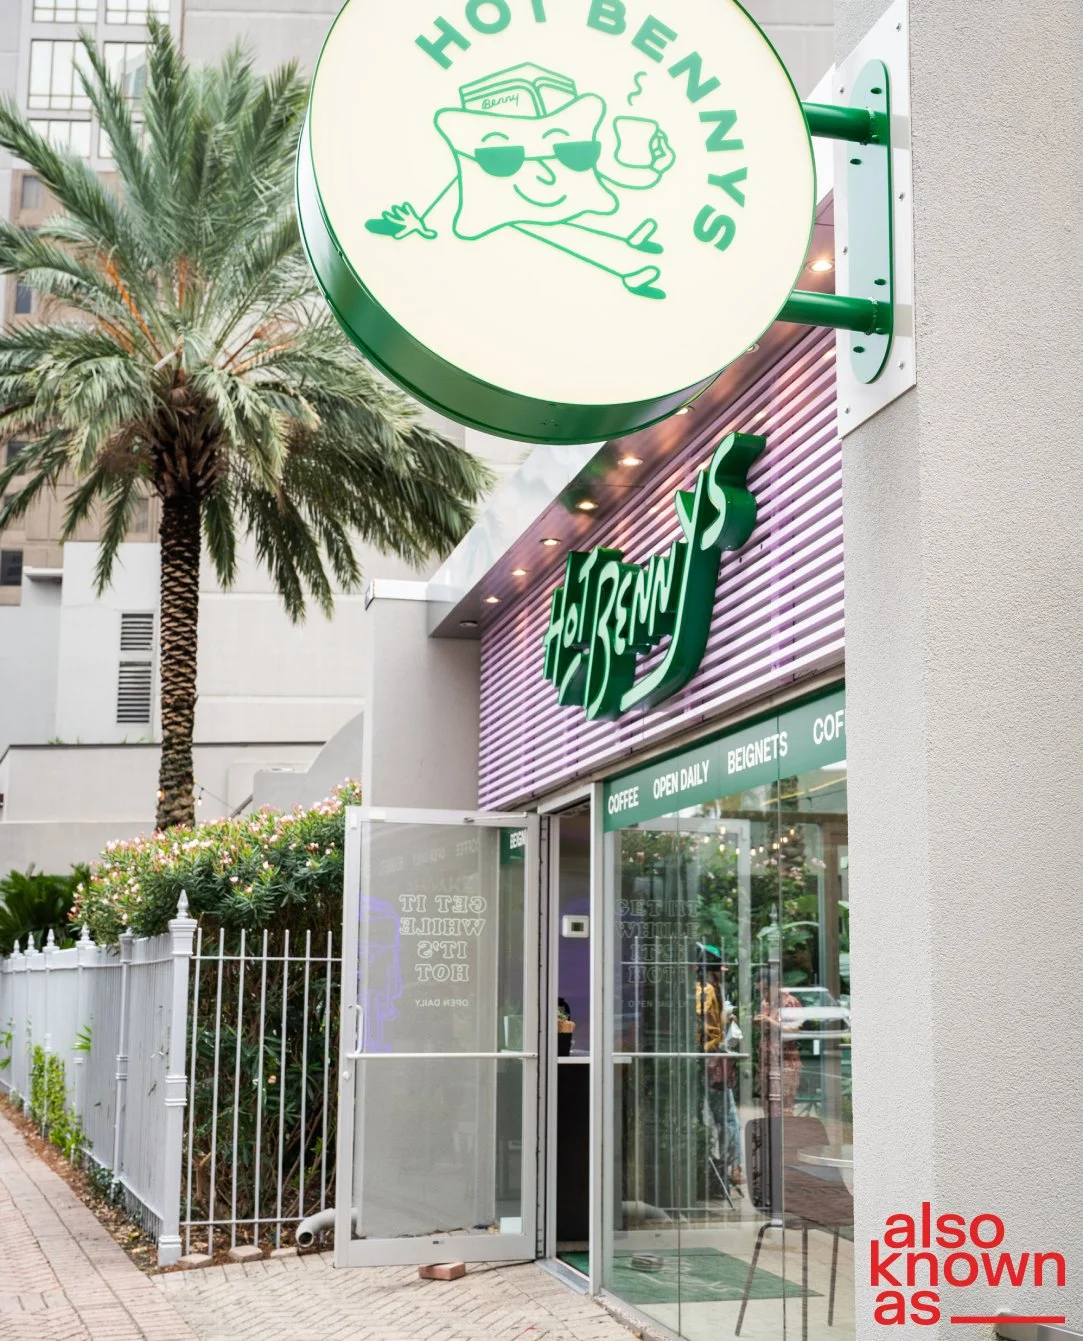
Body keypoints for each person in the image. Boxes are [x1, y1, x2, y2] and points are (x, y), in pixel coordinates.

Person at [695, 950, 743, 1187]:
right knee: (727, 1116)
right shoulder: (707, 990)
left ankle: (731, 1166)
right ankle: (732, 1166)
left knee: (724, 1117)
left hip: (710, 1060)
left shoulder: (709, 990)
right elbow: (704, 1025)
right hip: (711, 1061)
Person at [755, 973, 803, 1115]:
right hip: (767, 1061)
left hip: (785, 1061)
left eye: (765, 990)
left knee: (784, 1107)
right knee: (767, 1105)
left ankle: (784, 1136)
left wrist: (770, 1022)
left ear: (776, 985)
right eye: (761, 991)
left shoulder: (789, 1002)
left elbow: (794, 1031)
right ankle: (771, 1136)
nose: (764, 994)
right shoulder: (766, 1003)